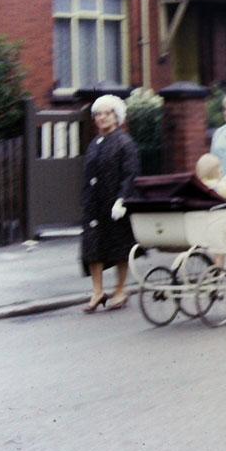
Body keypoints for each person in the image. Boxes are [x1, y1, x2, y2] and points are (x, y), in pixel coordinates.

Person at [80, 94, 140, 313]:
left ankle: (121, 289)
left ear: (117, 117)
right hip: (94, 204)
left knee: (118, 247)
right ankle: (97, 292)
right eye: (98, 114)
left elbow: (130, 174)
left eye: (107, 114)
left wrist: (122, 199)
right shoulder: (94, 143)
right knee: (92, 247)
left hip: (115, 204)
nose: (102, 118)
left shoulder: (125, 142)